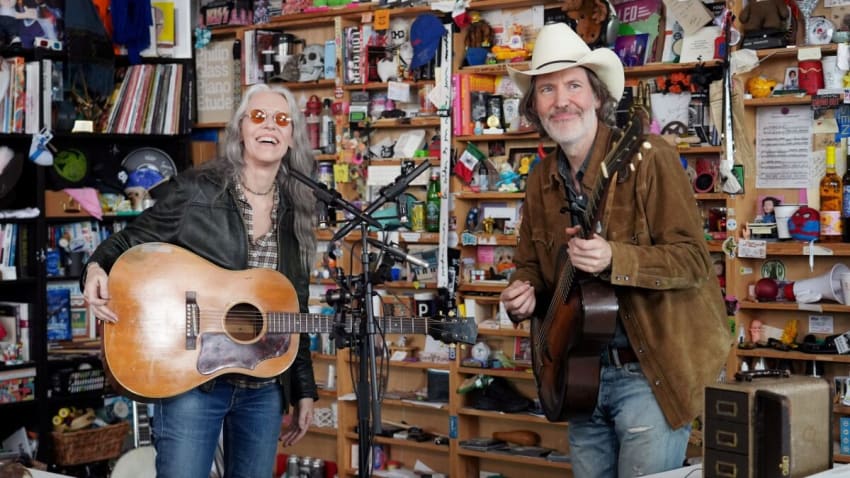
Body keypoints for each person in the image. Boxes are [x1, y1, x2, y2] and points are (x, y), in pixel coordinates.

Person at [500, 23, 731, 476]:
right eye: (547, 89)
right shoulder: (540, 179)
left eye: (573, 85)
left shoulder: (651, 156)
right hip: (578, 374)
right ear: (534, 106)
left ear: (598, 96)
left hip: (649, 375)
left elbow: (692, 260)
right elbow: (529, 264)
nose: (561, 100)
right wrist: (520, 292)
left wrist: (615, 259)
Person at [82, 83, 319, 478]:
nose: (270, 127)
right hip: (192, 379)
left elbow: (294, 308)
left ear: (292, 136)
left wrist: (305, 388)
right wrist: (94, 268)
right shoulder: (197, 191)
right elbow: (127, 241)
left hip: (262, 388)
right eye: (259, 116)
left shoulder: (297, 210)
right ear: (241, 128)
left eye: (282, 120)